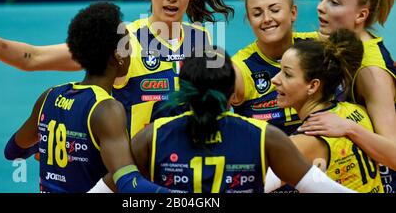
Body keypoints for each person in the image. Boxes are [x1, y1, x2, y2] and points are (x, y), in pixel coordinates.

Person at [0, 0, 234, 138]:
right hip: (133, 172)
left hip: (184, 168)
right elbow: (35, 58)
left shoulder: (202, 39)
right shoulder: (122, 39)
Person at [129, 48, 355, 193]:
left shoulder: (153, 136)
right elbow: (324, 188)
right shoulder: (265, 136)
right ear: (231, 94)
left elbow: (106, 188)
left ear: (184, 91)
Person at [4, 2, 169, 193]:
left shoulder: (48, 96)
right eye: (128, 46)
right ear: (118, 56)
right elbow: (129, 182)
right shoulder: (107, 110)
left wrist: (48, 145)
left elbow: (12, 151)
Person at [298, 0, 396, 193]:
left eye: (334, 2)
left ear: (361, 15)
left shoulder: (371, 73)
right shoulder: (340, 42)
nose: (320, 7)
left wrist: (348, 127)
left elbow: (393, 154)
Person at [268, 29, 383, 193]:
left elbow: (248, 186)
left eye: (287, 74)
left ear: (313, 86)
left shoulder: (305, 141)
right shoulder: (356, 110)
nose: (275, 80)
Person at [231, 0, 317, 134]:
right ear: (249, 20)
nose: (267, 19)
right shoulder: (240, 68)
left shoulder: (318, 46)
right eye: (257, 14)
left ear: (293, 13)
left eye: (274, 10)